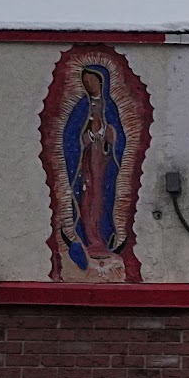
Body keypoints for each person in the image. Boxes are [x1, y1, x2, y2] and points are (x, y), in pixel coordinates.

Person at [60, 65, 130, 275]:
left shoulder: (111, 107)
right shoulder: (81, 107)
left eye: (93, 81)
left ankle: (103, 240)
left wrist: (108, 134)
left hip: (105, 165)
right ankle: (88, 240)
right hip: (86, 164)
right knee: (86, 199)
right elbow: (70, 137)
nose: (89, 85)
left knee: (103, 200)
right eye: (86, 81)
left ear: (102, 82)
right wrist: (89, 136)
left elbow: (120, 139)